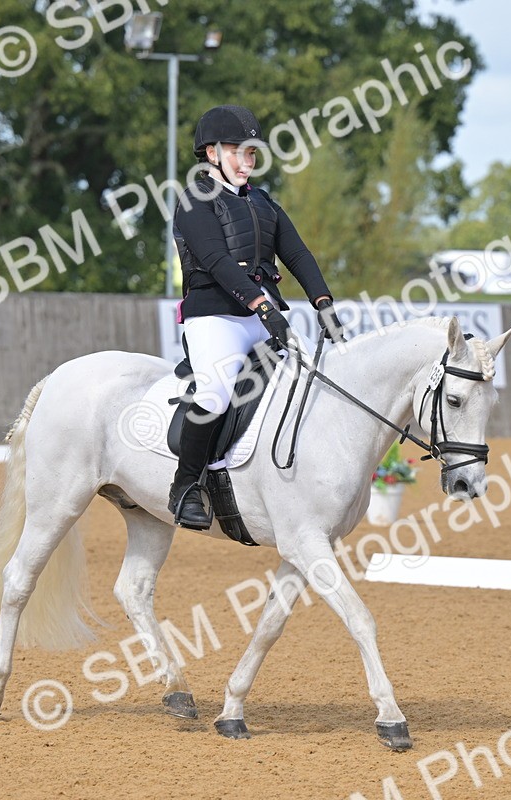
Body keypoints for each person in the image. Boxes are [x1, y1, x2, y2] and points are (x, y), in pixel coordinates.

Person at [168, 104, 344, 529]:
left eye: (252, 153)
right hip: (216, 318)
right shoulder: (194, 201)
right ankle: (185, 486)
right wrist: (262, 306)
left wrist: (323, 303)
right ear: (212, 153)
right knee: (215, 391)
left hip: (262, 315)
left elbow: (297, 254)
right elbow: (216, 260)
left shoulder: (263, 203)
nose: (247, 162)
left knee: (314, 379)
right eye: (238, 152)